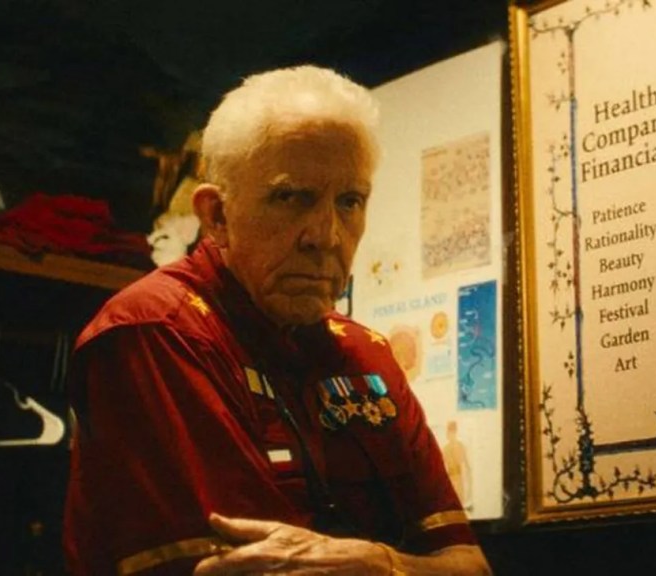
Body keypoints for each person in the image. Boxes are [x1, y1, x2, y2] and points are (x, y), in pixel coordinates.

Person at [64, 65, 491, 575]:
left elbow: (472, 567)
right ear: (217, 216)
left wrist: (379, 564)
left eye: (350, 201)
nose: (326, 236)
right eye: (292, 198)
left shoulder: (368, 354)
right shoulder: (157, 330)